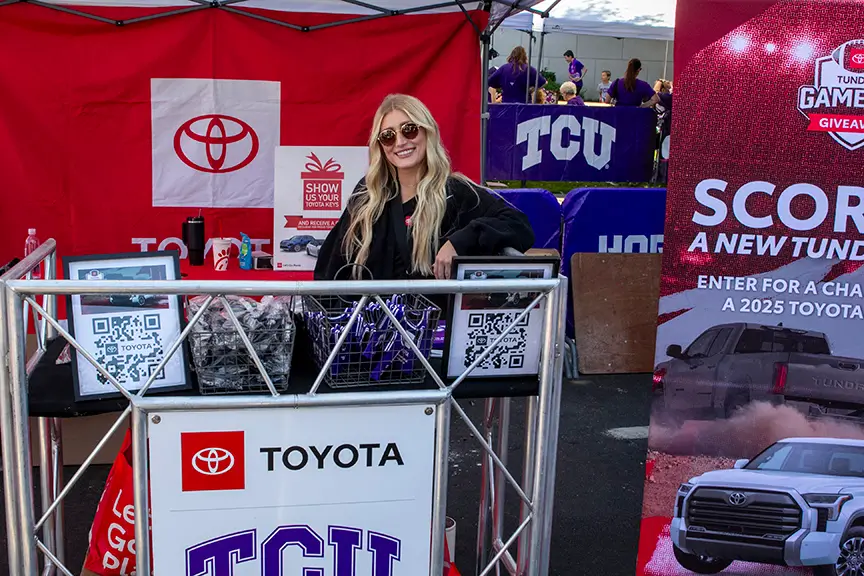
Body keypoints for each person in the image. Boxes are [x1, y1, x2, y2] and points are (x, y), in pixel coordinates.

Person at [314, 94, 535, 281]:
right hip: (374, 327)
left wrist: (460, 242)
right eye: (388, 136)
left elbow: (519, 225)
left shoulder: (455, 191)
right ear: (380, 146)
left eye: (409, 129)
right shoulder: (367, 195)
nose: (400, 142)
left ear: (427, 131)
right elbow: (332, 266)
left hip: (434, 328)